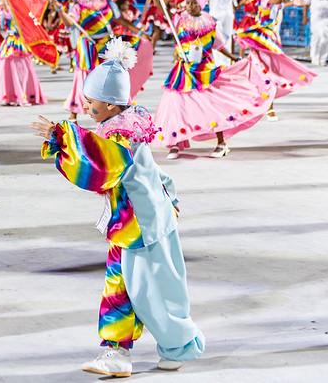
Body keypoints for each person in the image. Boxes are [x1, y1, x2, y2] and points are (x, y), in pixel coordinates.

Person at [33, 40, 204, 377]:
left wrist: (60, 136)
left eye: (90, 101)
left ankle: (123, 352)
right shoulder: (126, 125)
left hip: (138, 225)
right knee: (151, 287)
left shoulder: (119, 136)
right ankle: (168, 349)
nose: (85, 106)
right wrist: (169, 197)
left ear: (111, 104)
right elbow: (150, 171)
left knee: (133, 288)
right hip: (146, 219)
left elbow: (99, 166)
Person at [154, 0, 275, 159]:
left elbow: (218, 45)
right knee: (176, 105)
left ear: (201, 4)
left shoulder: (209, 22)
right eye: (188, 3)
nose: (190, 6)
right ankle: (175, 144)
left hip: (205, 70)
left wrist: (233, 57)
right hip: (183, 71)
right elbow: (161, 8)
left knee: (212, 106)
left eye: (194, 3)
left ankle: (221, 143)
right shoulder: (179, 20)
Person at [237, 0, 317, 121]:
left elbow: (280, 2)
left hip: (271, 36)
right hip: (263, 39)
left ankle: (263, 102)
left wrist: (290, 0)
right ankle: (269, 107)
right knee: (266, 72)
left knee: (269, 71)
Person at [0, 16, 47, 106]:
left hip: (19, 43)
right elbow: (3, 26)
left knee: (21, 70)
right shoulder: (6, 11)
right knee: (10, 70)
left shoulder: (22, 10)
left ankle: (21, 95)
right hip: (12, 44)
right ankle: (11, 96)